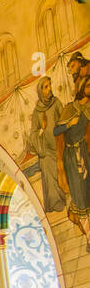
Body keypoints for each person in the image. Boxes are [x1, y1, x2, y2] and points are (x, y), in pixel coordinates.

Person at [55, 76, 90, 235]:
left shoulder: (89, 108)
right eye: (89, 86)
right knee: (79, 195)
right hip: (71, 156)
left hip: (83, 151)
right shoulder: (70, 108)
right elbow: (56, 131)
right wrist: (69, 124)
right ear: (82, 88)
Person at [29, 76, 67, 214]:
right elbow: (33, 135)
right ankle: (55, 203)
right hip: (46, 150)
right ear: (41, 91)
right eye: (46, 87)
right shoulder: (37, 112)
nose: (49, 89)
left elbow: (64, 119)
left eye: (49, 85)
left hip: (59, 145)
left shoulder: (56, 103)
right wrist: (42, 128)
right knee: (46, 166)